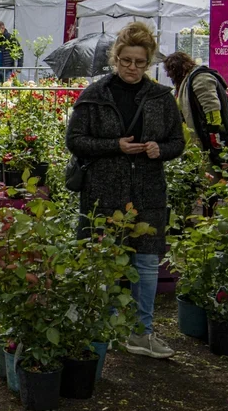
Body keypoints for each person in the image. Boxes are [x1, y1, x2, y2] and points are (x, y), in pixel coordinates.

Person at [65, 22, 185, 360]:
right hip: (104, 192)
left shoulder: (161, 98)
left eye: (140, 62)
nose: (132, 68)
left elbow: (178, 142)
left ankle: (141, 333)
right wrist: (114, 145)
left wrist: (159, 150)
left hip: (148, 192)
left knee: (146, 264)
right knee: (101, 263)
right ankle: (99, 328)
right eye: (126, 61)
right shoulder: (94, 95)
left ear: (149, 64)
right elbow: (75, 142)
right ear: (115, 58)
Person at [163, 52, 228, 163]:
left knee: (220, 164)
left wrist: (213, 135)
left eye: (169, 70)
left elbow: (212, 108)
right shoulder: (189, 79)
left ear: (177, 68)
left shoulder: (200, 78)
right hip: (204, 133)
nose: (168, 75)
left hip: (214, 134)